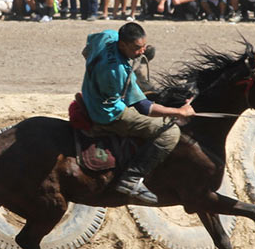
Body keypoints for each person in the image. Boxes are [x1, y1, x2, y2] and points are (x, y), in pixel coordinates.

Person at [80, 23, 193, 205]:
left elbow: (86, 51)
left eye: (143, 46)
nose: (141, 51)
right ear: (122, 44)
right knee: (169, 132)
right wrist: (180, 111)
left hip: (92, 92)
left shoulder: (108, 36)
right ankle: (131, 178)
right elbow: (143, 107)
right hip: (107, 113)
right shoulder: (117, 72)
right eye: (136, 48)